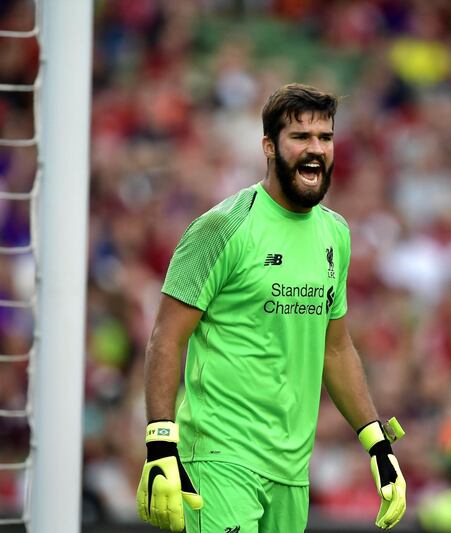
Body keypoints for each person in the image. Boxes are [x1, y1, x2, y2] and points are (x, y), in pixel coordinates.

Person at [136, 83, 407, 532]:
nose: (316, 149)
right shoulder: (223, 226)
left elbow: (335, 348)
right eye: (301, 137)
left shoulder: (335, 234)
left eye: (325, 137)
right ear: (269, 147)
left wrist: (377, 441)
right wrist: (161, 442)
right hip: (221, 457)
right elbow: (166, 336)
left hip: (292, 471)